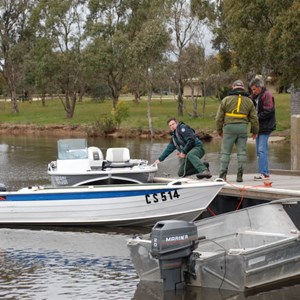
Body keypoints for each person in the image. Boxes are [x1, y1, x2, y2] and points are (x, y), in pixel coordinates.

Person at [216, 80, 259, 182]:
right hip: (243, 128)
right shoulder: (249, 101)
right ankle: (239, 176)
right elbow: (254, 118)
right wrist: (255, 131)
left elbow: (218, 118)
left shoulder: (226, 100)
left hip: (229, 128)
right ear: (243, 88)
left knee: (226, 152)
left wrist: (219, 130)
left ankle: (223, 176)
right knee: (242, 152)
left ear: (233, 87)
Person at [250, 78, 276, 180]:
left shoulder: (267, 95)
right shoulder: (255, 96)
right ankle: (265, 172)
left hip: (266, 126)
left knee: (261, 150)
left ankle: (263, 172)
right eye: (252, 89)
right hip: (259, 127)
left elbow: (269, 111)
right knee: (258, 151)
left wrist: (256, 117)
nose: (253, 91)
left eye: (254, 89)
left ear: (260, 87)